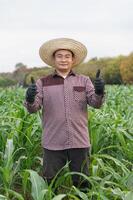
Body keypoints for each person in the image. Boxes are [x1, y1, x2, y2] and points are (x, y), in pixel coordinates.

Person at [24, 38, 105, 189]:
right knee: (51, 184)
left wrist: (99, 92)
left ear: (73, 60)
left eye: (67, 56)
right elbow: (33, 108)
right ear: (53, 60)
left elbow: (96, 103)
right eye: (59, 56)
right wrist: (29, 99)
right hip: (52, 142)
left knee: (82, 183)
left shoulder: (84, 80)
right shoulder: (43, 82)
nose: (63, 59)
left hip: (79, 141)